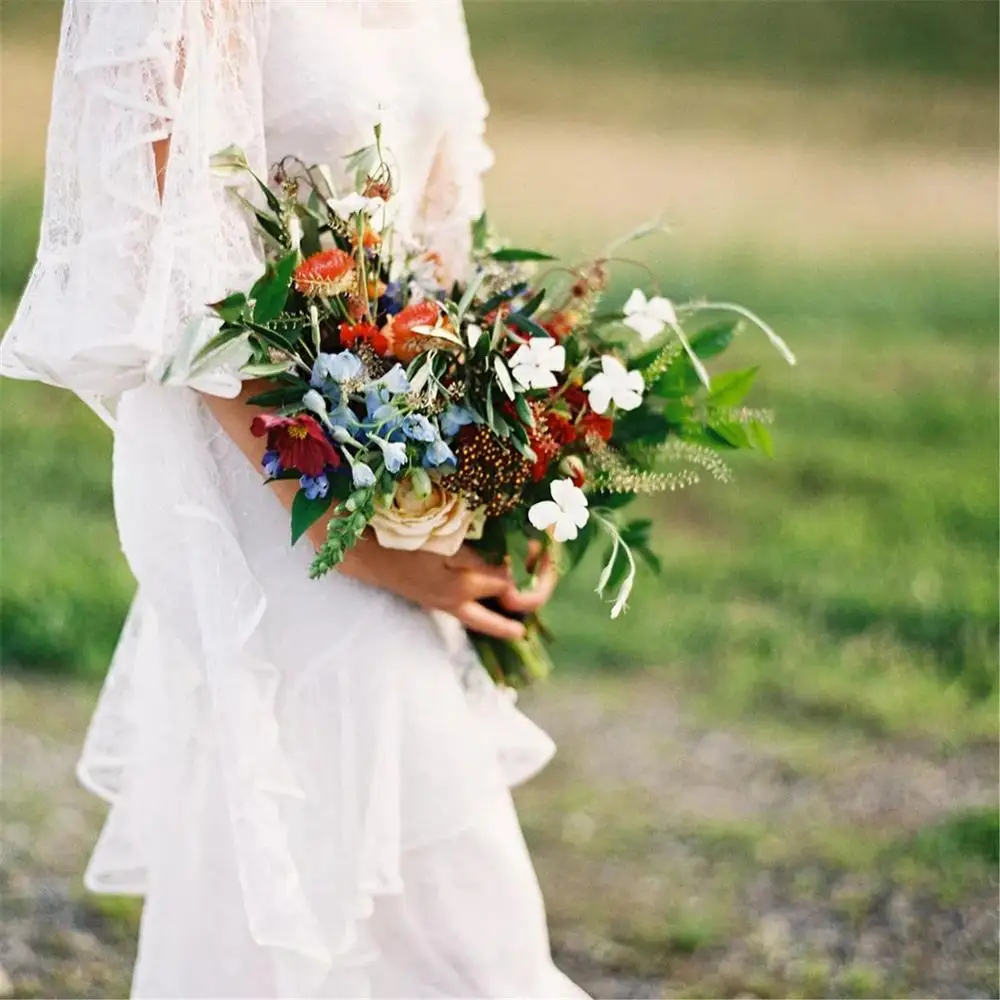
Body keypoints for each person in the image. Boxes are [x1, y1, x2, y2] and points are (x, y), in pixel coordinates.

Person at [1, 2, 588, 996]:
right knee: (424, 895)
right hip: (260, 484)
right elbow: (187, 285)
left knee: (375, 863)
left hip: (401, 461)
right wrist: (363, 544)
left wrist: (502, 479)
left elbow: (444, 251)